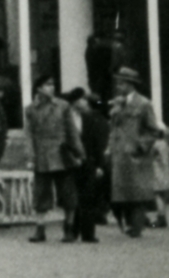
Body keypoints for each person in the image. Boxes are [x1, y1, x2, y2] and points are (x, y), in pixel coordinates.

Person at [24, 76, 82, 243]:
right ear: (38, 89)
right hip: (41, 155)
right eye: (47, 85)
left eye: (53, 84)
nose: (51, 87)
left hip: (62, 154)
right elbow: (28, 136)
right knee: (41, 193)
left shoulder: (63, 106)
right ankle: (40, 229)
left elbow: (72, 132)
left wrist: (79, 153)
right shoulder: (30, 109)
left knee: (68, 193)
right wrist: (30, 157)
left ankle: (69, 228)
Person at [106, 66, 161, 238]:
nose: (118, 87)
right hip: (119, 155)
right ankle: (131, 223)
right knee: (122, 192)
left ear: (130, 84)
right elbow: (113, 129)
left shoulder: (143, 104)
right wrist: (109, 148)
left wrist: (140, 146)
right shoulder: (118, 104)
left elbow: (153, 130)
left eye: (121, 84)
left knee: (137, 193)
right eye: (118, 83)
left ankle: (136, 227)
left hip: (136, 156)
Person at [64, 88, 110, 242]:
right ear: (75, 101)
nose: (86, 102)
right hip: (70, 163)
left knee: (88, 198)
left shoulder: (90, 118)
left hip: (88, 162)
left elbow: (97, 144)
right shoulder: (65, 117)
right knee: (72, 199)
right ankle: (72, 231)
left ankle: (88, 234)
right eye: (83, 99)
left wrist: (100, 165)